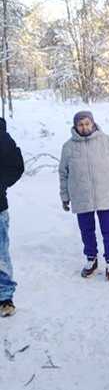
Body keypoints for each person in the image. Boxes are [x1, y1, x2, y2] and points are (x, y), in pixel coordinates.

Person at [59, 111, 109, 281]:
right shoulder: (68, 147)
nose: (84, 127)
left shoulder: (107, 141)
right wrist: (65, 196)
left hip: (106, 195)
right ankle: (91, 259)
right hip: (81, 196)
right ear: (75, 126)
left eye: (87, 123)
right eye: (80, 124)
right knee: (86, 231)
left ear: (93, 123)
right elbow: (63, 174)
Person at [0, 117, 24, 317]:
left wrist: (1, 184)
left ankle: (5, 297)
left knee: (0, 255)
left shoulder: (2, 137)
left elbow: (16, 166)